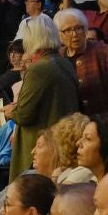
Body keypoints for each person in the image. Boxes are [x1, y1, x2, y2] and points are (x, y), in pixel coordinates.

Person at [10, 14, 79, 182]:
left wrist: (12, 110)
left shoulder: (38, 69)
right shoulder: (64, 63)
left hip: (38, 148)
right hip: (59, 144)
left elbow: (23, 115)